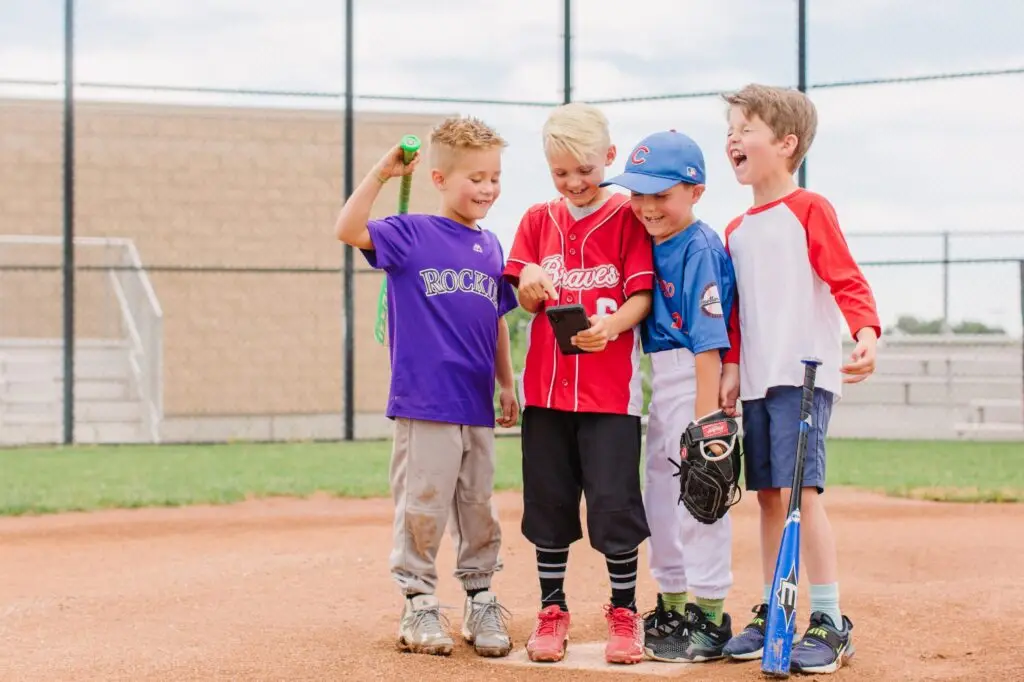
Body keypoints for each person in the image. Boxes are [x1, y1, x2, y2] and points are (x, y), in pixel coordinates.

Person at [333, 116, 520, 659]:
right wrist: (383, 172)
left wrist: (507, 384)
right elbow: (348, 229)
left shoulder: (491, 246)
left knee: (478, 505)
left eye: (494, 177)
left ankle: (480, 599)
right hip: (425, 401)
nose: (487, 189)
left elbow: (496, 321)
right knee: (424, 505)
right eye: (475, 178)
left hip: (476, 403)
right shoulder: (411, 232)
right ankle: (418, 605)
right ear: (439, 179)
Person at [718, 83, 881, 674]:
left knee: (799, 495)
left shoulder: (809, 208)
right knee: (765, 498)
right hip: (759, 379)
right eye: (730, 129)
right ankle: (773, 610)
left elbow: (846, 278)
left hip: (804, 375)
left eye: (746, 128)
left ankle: (830, 621)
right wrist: (732, 365)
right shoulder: (734, 228)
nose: (733, 138)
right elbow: (736, 312)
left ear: (787, 144)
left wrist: (865, 333)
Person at [502, 102, 655, 665]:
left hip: (610, 395)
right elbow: (521, 292)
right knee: (548, 504)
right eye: (561, 172)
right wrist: (532, 282)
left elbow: (641, 294)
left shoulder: (626, 218)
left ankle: (623, 611)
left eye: (585, 169)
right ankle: (552, 610)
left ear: (609, 158)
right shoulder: (537, 220)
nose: (574, 181)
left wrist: (613, 325)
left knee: (614, 505)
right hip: (545, 393)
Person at [601, 129, 739, 663]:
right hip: (663, 379)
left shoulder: (699, 247)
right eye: (638, 194)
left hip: (694, 379)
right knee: (661, 495)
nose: (647, 206)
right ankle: (674, 604)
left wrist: (706, 428)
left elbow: (709, 343)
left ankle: (708, 615)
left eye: (661, 194)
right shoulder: (648, 241)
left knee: (700, 499)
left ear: (696, 191)